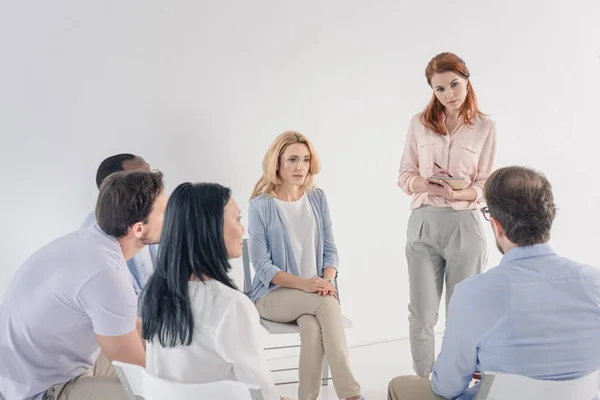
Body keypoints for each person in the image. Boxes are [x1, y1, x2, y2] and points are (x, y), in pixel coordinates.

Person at [388, 166, 600, 400]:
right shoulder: (594, 282)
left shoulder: (472, 293)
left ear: (497, 225)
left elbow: (447, 386)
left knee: (400, 386)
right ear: (549, 217)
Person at [0, 170, 167, 400]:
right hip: (41, 390)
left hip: (32, 369)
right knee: (153, 394)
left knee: (161, 358)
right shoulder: (106, 274)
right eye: (166, 212)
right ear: (139, 228)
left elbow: (126, 324)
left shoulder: (91, 243)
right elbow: (139, 368)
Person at [397, 52, 496, 378]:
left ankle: (457, 379)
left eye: (454, 84)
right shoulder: (419, 124)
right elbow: (404, 176)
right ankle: (424, 385)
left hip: (464, 227)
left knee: (462, 313)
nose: (449, 94)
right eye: (439, 89)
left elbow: (485, 184)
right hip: (424, 222)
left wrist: (460, 192)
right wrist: (423, 183)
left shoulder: (485, 127)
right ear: (432, 91)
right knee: (422, 314)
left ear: (467, 80)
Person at [248, 131, 365, 400]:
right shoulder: (260, 205)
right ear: (276, 163)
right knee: (326, 305)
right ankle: (352, 395)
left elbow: (330, 250)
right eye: (292, 160)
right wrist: (308, 285)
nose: (301, 167)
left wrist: (327, 280)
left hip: (314, 293)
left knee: (312, 330)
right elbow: (262, 265)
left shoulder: (317, 197)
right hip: (272, 295)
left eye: (305, 159)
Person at [140, 183, 283, 400]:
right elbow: (261, 393)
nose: (243, 229)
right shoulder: (230, 305)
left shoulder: (154, 293)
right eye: (237, 219)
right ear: (211, 227)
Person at [81, 153, 156, 295]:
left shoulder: (151, 220)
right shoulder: (96, 234)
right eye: (142, 177)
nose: (153, 183)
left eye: (151, 173)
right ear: (115, 188)